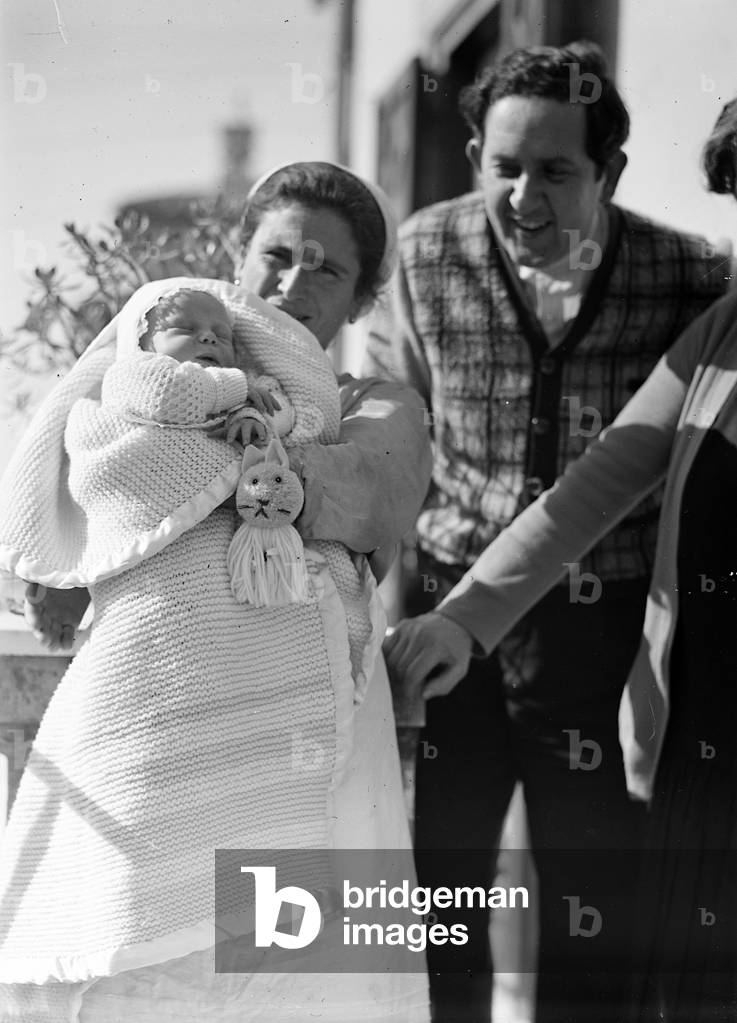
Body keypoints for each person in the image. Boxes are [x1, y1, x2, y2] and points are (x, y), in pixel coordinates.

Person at [0, 162, 432, 1023]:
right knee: (148, 963)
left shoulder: (376, 407)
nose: (292, 282)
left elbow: (361, 493)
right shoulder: (144, 387)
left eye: (327, 268)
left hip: (310, 730)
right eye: (277, 254)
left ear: (362, 298)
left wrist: (228, 451)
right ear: (238, 261)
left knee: (297, 986)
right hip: (166, 726)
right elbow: (80, 501)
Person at [367, 42, 731, 1023]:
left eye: (556, 173)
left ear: (608, 174)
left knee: (589, 891)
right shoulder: (422, 252)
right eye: (503, 167)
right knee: (439, 883)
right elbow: (392, 423)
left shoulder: (689, 275)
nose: (524, 198)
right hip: (453, 605)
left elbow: (619, 477)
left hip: (598, 623)